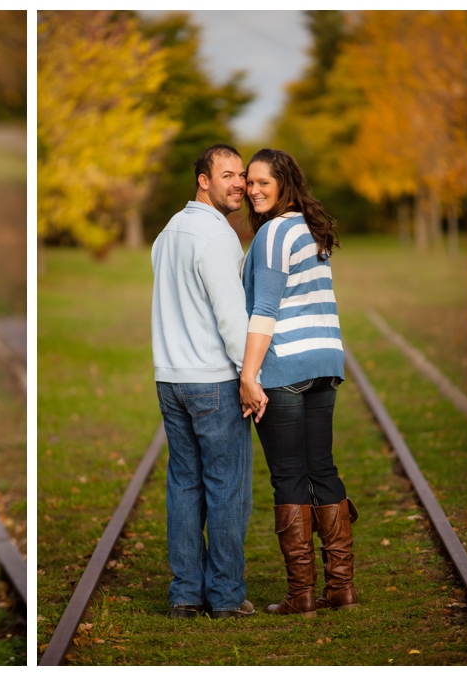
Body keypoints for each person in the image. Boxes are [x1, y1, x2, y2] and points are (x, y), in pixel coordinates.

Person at [240, 148, 357, 617]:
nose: (253, 190)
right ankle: (341, 588)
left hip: (284, 365)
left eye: (263, 182)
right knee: (321, 469)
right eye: (249, 182)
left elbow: (264, 312)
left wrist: (249, 375)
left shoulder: (271, 234)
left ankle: (302, 595)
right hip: (325, 360)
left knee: (289, 475)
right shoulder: (312, 229)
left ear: (285, 182)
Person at [151, 143, 264, 620]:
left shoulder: (167, 233)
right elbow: (230, 318)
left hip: (170, 378)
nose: (239, 183)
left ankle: (184, 594)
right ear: (203, 180)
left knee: (184, 486)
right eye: (227, 175)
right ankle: (224, 597)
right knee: (227, 488)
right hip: (214, 380)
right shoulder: (215, 237)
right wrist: (250, 377)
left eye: (241, 175)